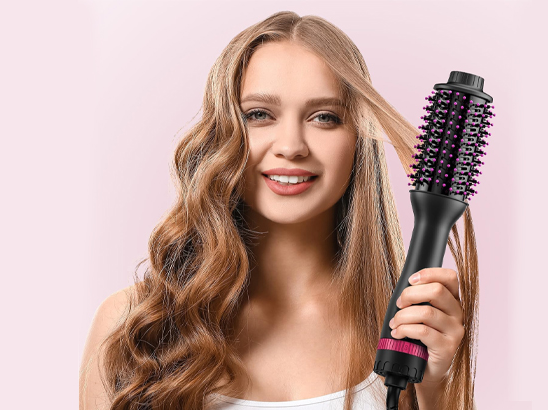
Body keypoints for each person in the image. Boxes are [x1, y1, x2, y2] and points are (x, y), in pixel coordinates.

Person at [79, 11, 479, 410]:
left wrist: (438, 394)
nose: (291, 145)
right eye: (259, 115)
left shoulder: (414, 334)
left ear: (358, 139)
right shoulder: (131, 327)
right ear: (223, 132)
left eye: (324, 117)